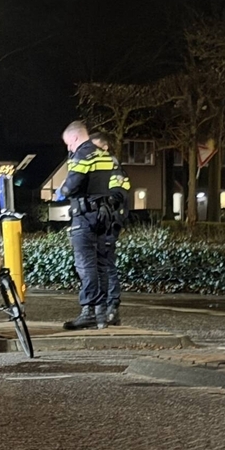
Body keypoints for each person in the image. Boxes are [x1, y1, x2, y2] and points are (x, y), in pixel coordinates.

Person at [57, 120, 127, 331]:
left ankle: (88, 311)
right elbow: (114, 186)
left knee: (85, 265)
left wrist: (62, 191)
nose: (69, 148)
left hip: (84, 216)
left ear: (75, 137)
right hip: (104, 217)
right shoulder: (105, 156)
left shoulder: (82, 155)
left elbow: (71, 186)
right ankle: (101, 314)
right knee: (102, 265)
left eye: (69, 143)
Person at [89, 132, 131, 326]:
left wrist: (105, 204)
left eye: (95, 147)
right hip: (98, 222)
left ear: (105, 148)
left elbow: (118, 193)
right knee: (99, 264)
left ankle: (112, 307)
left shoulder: (113, 168)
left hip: (109, 222)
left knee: (106, 263)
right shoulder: (98, 168)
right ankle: (103, 306)